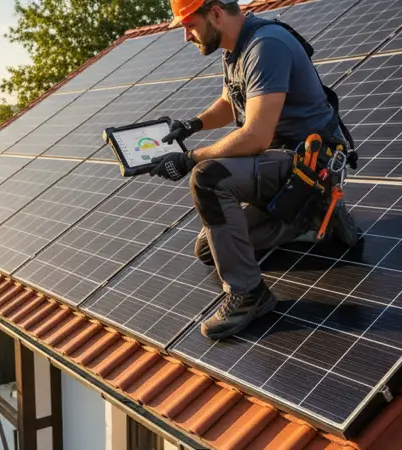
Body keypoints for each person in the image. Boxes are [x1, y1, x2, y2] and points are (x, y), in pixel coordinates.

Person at [150, 0, 359, 340]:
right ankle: (311, 218)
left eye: (189, 25)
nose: (186, 36)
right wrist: (193, 124)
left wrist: (191, 159)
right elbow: (229, 102)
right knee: (209, 250)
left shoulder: (266, 46)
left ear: (215, 13)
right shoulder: (235, 48)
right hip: (280, 164)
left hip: (307, 166)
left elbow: (256, 136)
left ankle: (249, 294)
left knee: (208, 178)